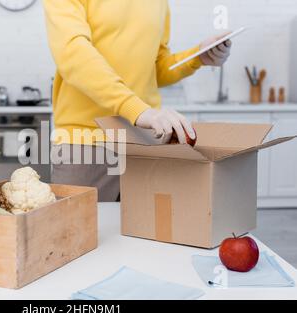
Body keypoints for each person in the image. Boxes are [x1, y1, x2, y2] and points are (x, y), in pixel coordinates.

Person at [43, 0, 231, 201]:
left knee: (147, 231)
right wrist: (137, 109)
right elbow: (73, 54)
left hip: (143, 141)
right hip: (87, 143)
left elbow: (155, 67)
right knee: (76, 231)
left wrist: (197, 57)